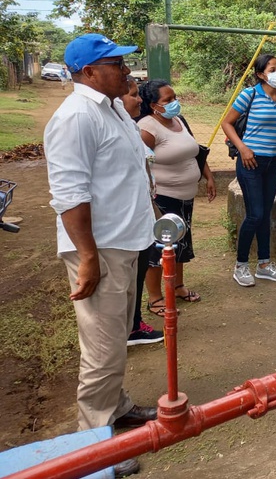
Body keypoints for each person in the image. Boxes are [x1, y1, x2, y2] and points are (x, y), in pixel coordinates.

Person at [44, 33, 157, 478]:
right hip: (100, 247)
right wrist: (87, 256)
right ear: (89, 72)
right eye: (117, 64)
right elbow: (69, 193)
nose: (127, 72)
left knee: (115, 339)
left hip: (126, 241)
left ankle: (117, 406)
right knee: (102, 347)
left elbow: (129, 169)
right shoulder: (74, 117)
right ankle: (92, 444)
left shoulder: (111, 108)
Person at [138, 80, 216, 315]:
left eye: (175, 98)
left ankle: (178, 286)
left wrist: (209, 176)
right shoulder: (147, 128)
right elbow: (140, 163)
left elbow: (195, 152)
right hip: (163, 197)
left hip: (186, 196)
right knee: (159, 249)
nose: (175, 103)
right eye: (168, 100)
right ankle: (155, 298)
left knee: (181, 243)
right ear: (154, 105)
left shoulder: (179, 121)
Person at [221, 54, 276, 287]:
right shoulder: (250, 95)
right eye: (272, 69)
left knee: (265, 212)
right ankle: (241, 265)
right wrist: (243, 148)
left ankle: (264, 264)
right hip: (250, 162)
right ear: (260, 74)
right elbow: (227, 122)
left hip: (274, 162)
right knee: (255, 214)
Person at [120, 77, 164, 346]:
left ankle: (133, 326)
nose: (139, 100)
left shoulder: (128, 124)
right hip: (124, 219)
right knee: (123, 280)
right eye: (134, 95)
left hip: (142, 212)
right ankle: (125, 329)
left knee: (138, 270)